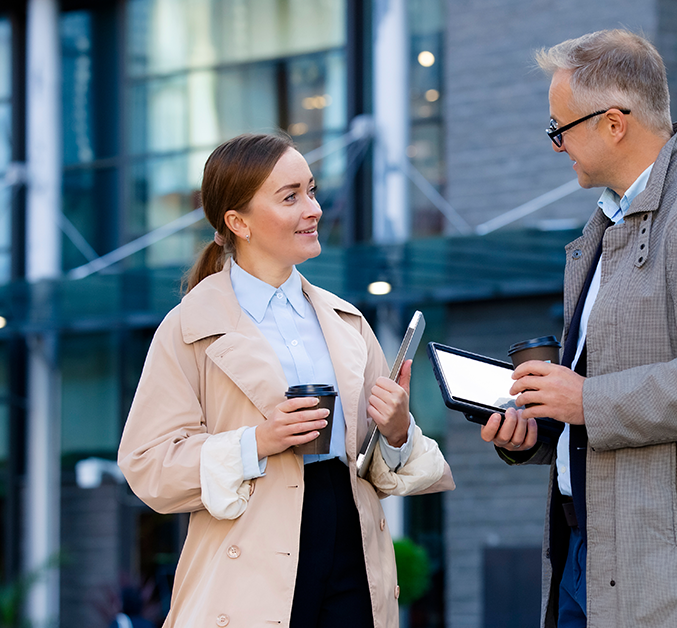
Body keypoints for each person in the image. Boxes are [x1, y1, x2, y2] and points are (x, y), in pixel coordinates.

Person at [480, 30, 677, 627]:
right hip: (583, 556)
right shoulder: (604, 227)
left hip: (672, 578)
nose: (556, 145)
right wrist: (538, 430)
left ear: (613, 123)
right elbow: (596, 407)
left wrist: (587, 399)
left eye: (560, 128)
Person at [118, 132, 454, 628]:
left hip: (351, 544)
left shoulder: (347, 320)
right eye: (290, 197)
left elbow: (374, 466)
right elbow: (148, 466)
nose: (314, 209)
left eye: (312, 191)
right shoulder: (188, 327)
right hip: (250, 554)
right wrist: (258, 441)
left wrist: (398, 429)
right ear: (238, 222)